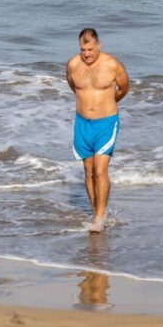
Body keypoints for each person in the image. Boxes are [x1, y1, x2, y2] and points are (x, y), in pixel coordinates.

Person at [65, 28, 129, 233]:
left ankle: (100, 218)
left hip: (106, 123)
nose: (87, 54)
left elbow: (124, 88)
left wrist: (108, 102)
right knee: (88, 171)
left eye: (90, 49)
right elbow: (74, 87)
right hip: (82, 123)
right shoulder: (72, 65)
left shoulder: (112, 65)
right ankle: (96, 212)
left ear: (99, 45)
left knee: (100, 170)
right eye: (83, 50)